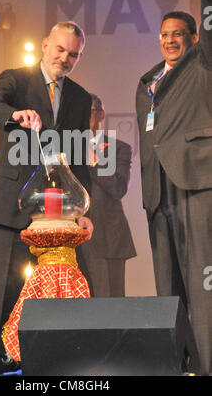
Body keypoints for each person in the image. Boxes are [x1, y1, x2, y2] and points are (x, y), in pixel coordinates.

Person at [0, 21, 93, 329]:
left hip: (55, 215)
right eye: (59, 49)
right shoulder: (16, 79)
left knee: (51, 296)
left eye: (73, 54)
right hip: (10, 207)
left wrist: (83, 211)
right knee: (3, 292)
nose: (64, 58)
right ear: (45, 45)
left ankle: (41, 360)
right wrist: (14, 115)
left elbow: (80, 159)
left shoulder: (81, 98)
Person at [135, 0, 212, 375]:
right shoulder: (146, 81)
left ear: (193, 37)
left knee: (204, 291)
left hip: (197, 186)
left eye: (178, 33)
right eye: (164, 33)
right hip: (158, 196)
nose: (169, 39)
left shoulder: (203, 65)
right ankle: (178, 366)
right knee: (170, 291)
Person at [77, 94, 136, 297]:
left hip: (108, 238)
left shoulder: (118, 149)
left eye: (89, 112)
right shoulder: (66, 147)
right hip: (73, 238)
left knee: (110, 307)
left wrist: (96, 163)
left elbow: (119, 188)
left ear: (100, 115)